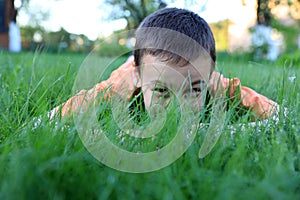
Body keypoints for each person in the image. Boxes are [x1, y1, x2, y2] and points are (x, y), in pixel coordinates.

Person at [50, 8, 278, 121]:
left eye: (194, 90)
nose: (178, 107)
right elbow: (57, 116)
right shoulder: (122, 84)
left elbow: (279, 113)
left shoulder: (217, 85)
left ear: (209, 77)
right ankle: (136, 60)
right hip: (134, 67)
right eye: (161, 91)